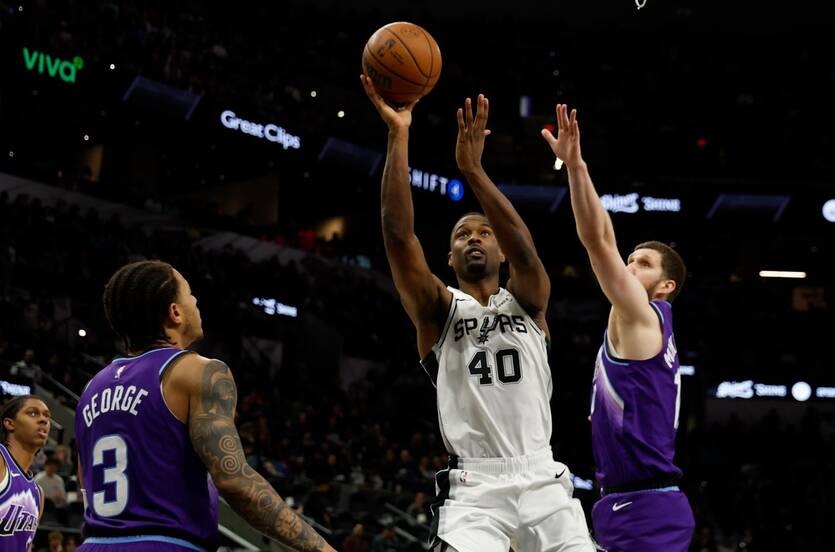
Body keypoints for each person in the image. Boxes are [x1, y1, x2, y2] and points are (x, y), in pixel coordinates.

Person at [361, 76, 594, 552]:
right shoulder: (438, 310)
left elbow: (526, 253)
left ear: (500, 250)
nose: (473, 237)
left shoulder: (528, 302)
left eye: (484, 233)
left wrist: (473, 170)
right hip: (474, 486)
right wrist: (399, 134)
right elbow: (398, 236)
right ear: (449, 259)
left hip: (543, 477)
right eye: (462, 235)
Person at [74, 260, 334, 551]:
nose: (196, 300)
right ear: (175, 312)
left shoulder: (91, 388)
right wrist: (321, 548)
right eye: (189, 293)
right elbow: (235, 481)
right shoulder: (199, 371)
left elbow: (85, 481)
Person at [541, 103, 695, 551]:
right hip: (630, 502)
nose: (629, 266)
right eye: (629, 259)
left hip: (645, 506)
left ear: (665, 286)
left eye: (642, 263)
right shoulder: (642, 324)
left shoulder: (643, 315)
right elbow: (607, 240)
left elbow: (597, 241)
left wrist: (575, 166)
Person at [0, 395, 50, 551]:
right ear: (10, 424)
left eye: (46, 416)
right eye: (33, 413)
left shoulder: (38, 493)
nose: (43, 420)